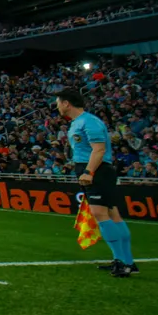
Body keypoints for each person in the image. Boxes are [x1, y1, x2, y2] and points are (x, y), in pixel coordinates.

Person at [57, 88, 136, 276]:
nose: (57, 107)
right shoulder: (78, 123)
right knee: (112, 213)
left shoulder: (89, 121)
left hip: (97, 170)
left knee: (100, 213)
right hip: (93, 169)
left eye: (58, 103)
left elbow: (99, 149)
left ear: (66, 103)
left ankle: (121, 262)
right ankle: (127, 262)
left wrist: (88, 172)